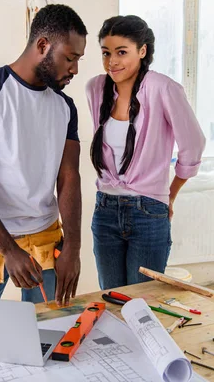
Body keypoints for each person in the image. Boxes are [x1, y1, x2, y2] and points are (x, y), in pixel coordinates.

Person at [0, 4, 87, 306]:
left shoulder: (65, 107)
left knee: (50, 329)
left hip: (46, 234)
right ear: (42, 46)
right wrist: (10, 250)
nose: (74, 69)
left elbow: (69, 178)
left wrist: (73, 249)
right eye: (70, 58)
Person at [86, 15, 206, 290]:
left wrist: (170, 194)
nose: (112, 62)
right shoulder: (95, 88)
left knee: (142, 301)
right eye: (106, 53)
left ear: (142, 51)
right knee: (112, 298)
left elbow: (193, 143)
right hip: (104, 208)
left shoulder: (163, 88)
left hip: (148, 211)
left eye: (121, 52)